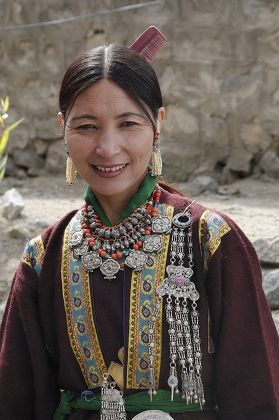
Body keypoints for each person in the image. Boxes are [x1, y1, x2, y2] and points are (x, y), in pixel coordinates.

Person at [0, 28, 279, 420]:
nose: (108, 147)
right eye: (87, 126)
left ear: (158, 124)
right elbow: (16, 397)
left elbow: (258, 396)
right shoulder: (43, 257)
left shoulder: (213, 241)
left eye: (128, 123)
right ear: (63, 128)